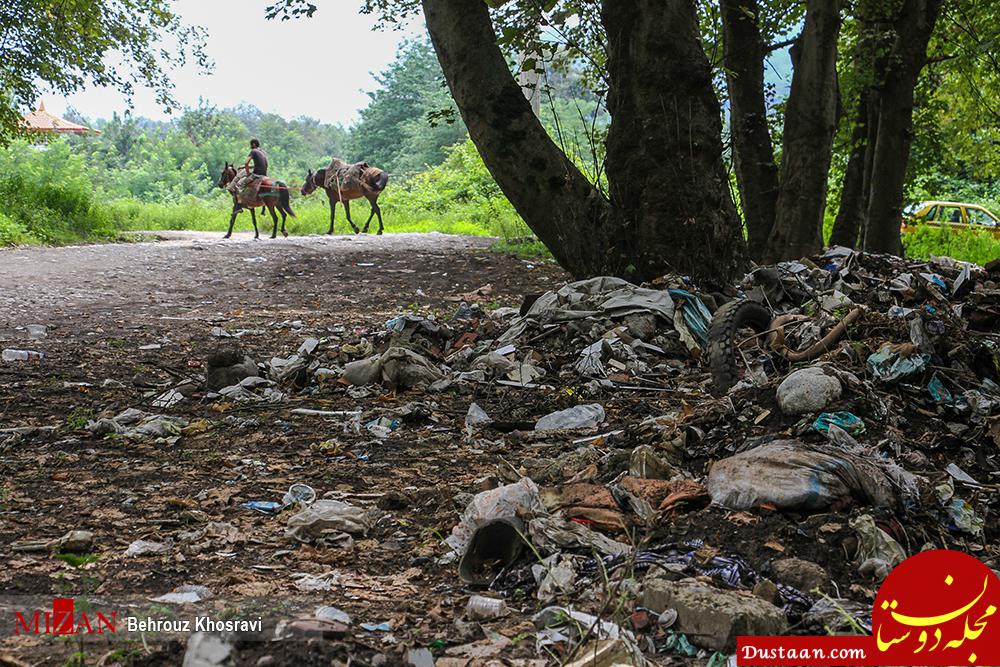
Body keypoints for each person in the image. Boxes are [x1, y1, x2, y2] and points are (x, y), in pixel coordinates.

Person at [229, 139, 269, 204]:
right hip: (264, 174)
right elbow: (262, 164)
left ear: (253, 144)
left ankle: (240, 202)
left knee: (239, 184)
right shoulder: (263, 152)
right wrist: (245, 167)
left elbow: (246, 162)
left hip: (256, 174)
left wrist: (248, 173)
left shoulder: (253, 151)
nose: (250, 146)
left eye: (251, 145)